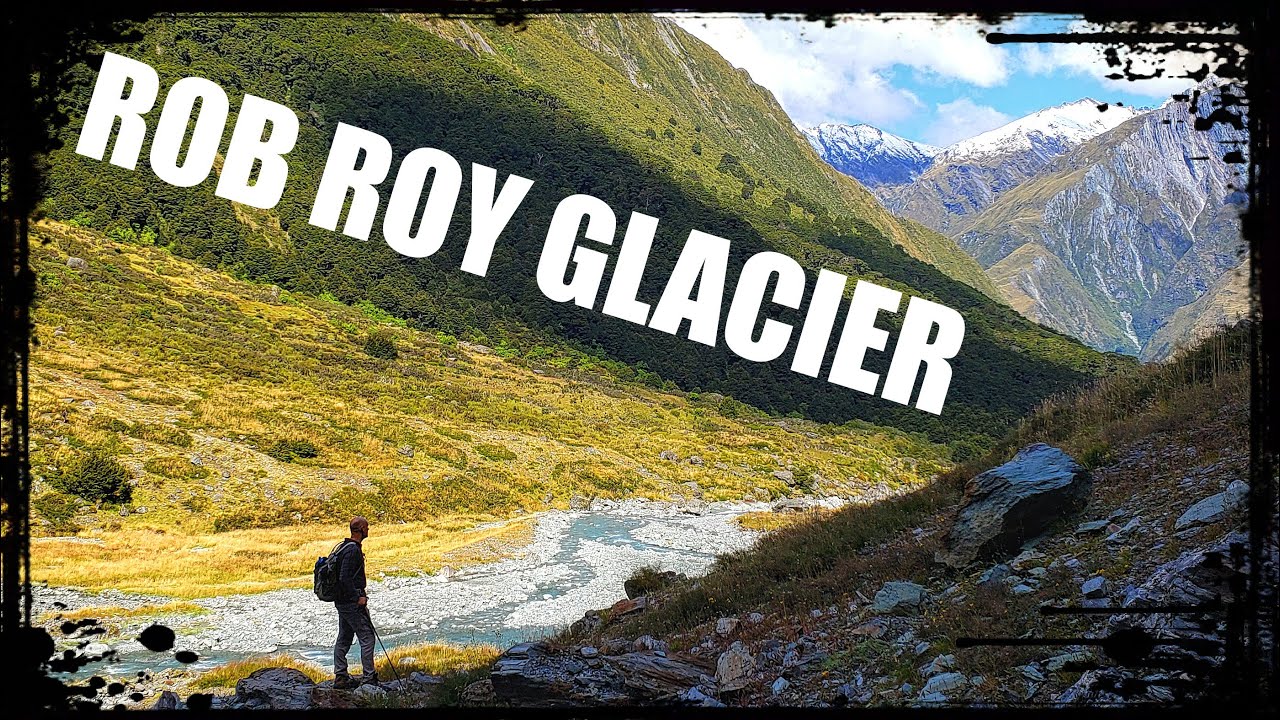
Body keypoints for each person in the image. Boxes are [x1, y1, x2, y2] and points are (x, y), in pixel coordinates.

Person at [332, 516, 378, 688]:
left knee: (344, 637)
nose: (368, 530)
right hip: (352, 603)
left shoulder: (343, 547)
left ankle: (341, 676)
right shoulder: (352, 550)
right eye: (366, 527)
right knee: (367, 637)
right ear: (360, 530)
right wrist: (357, 597)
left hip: (342, 602)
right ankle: (369, 678)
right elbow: (345, 577)